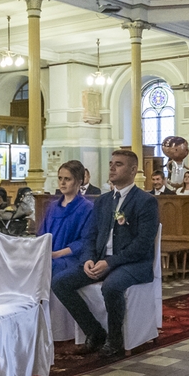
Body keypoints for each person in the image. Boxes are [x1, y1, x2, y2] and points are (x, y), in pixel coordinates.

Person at [51, 149, 159, 360]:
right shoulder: (103, 201)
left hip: (133, 263)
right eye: (111, 163)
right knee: (60, 282)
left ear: (133, 169)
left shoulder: (145, 201)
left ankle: (115, 342)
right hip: (101, 260)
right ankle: (94, 332)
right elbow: (90, 236)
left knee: (111, 286)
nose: (111, 167)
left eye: (118, 164)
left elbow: (142, 244)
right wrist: (88, 259)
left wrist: (110, 263)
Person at [40, 160, 94, 283]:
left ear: (79, 182)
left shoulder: (87, 208)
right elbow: (42, 234)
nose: (62, 183)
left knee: (54, 268)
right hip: (49, 255)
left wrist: (57, 254)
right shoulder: (52, 206)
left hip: (70, 259)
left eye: (67, 179)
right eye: (60, 178)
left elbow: (85, 241)